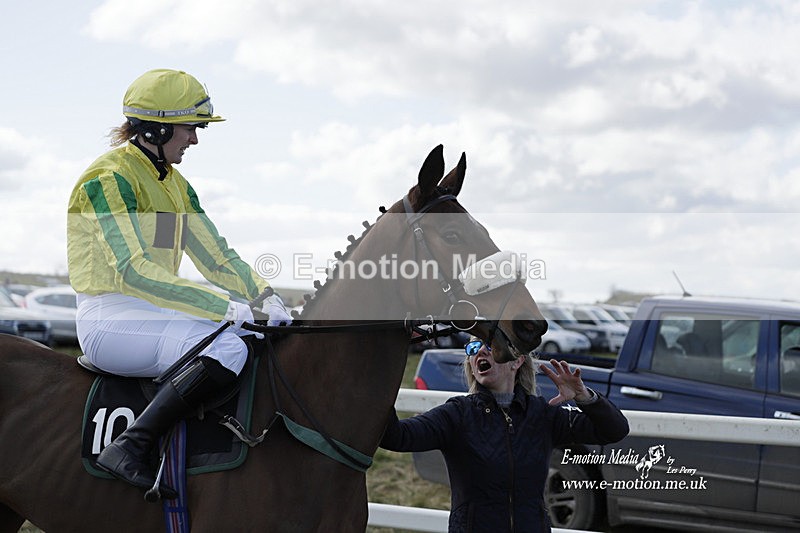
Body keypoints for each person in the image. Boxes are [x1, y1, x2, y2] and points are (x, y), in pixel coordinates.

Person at [67, 68, 292, 498]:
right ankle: (131, 445)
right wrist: (224, 308)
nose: (195, 139)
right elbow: (133, 270)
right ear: (157, 127)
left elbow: (218, 257)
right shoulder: (108, 178)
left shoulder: (176, 185)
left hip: (151, 312)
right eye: (191, 128)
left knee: (254, 333)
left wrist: (264, 294)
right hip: (108, 317)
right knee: (226, 344)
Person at [380, 337, 629, 532]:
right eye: (473, 347)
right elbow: (397, 436)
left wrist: (585, 397)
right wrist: (378, 381)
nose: (480, 351)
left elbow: (615, 430)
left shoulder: (542, 415)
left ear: (516, 360)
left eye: (491, 344)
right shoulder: (457, 415)